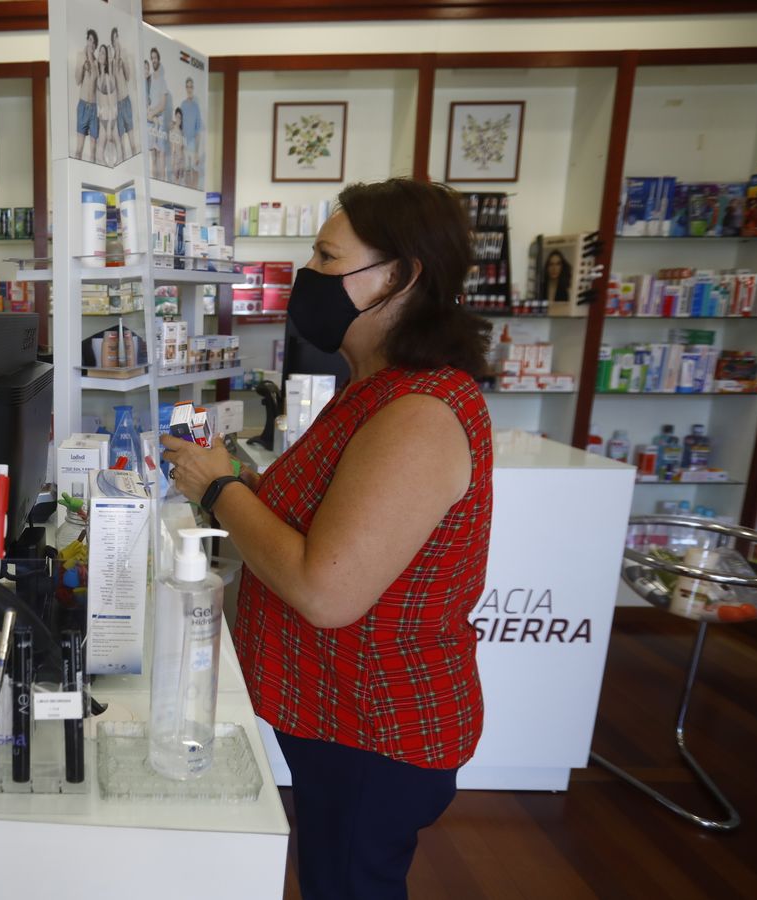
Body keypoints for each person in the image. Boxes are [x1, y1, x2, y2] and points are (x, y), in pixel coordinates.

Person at [160, 178, 493, 900]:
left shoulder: (419, 412)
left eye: (324, 255)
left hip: (373, 728)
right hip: (335, 715)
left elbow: (326, 589)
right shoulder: (372, 388)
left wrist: (221, 489)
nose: (305, 274)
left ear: (398, 277)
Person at [110, 28, 136, 162]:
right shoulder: (112, 61)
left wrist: (123, 61)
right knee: (122, 142)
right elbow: (112, 85)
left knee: (132, 139)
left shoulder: (124, 55)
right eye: (114, 39)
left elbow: (128, 76)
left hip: (126, 101)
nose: (116, 41)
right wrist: (115, 65)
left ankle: (136, 164)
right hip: (117, 104)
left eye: (117, 37)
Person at [73, 29, 100, 160]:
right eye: (90, 40)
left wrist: (90, 56)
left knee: (93, 151)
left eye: (94, 42)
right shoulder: (80, 56)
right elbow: (77, 80)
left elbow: (97, 82)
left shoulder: (96, 62)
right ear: (86, 40)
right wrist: (83, 67)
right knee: (79, 148)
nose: (91, 44)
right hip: (83, 105)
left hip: (94, 108)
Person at [146, 48, 171, 181]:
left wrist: (151, 114)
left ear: (158, 59)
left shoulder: (162, 80)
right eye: (152, 58)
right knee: (153, 155)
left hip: (159, 123)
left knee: (161, 153)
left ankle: (162, 186)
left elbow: (162, 105)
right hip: (150, 122)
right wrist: (148, 115)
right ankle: (154, 187)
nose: (153, 60)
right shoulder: (150, 80)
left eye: (155, 57)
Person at [178, 77, 202, 187]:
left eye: (191, 86)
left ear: (193, 88)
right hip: (184, 142)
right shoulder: (182, 105)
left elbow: (198, 130)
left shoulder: (196, 107)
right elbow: (180, 126)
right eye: (187, 86)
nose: (189, 89)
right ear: (185, 88)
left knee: (195, 169)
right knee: (187, 171)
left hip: (192, 143)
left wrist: (196, 152)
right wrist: (181, 144)